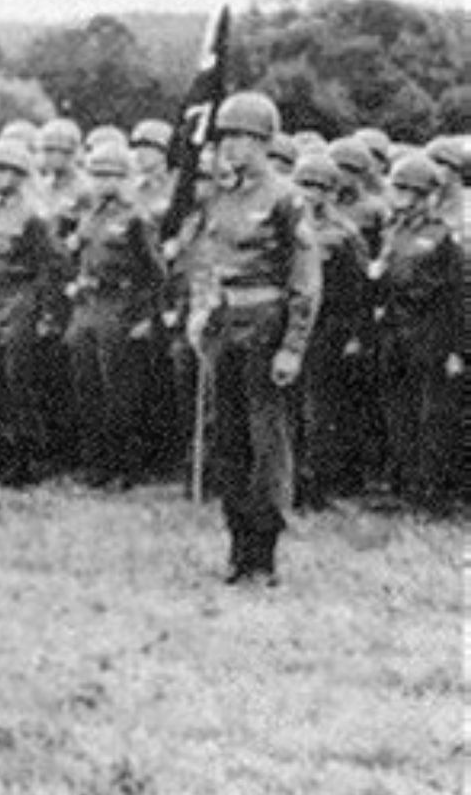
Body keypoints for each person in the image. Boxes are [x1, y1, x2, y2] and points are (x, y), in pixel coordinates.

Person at [178, 92, 319, 585]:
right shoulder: (220, 196)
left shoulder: (285, 197)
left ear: (264, 141)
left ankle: (265, 553)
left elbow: (305, 277)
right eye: (227, 137)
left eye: (243, 137)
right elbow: (204, 260)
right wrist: (200, 312)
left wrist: (293, 345)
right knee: (229, 439)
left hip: (266, 324)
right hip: (225, 325)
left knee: (267, 441)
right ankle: (238, 547)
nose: (232, 147)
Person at [0, 137, 67, 485]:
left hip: (19, 299)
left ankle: (26, 459)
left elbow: (52, 266)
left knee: (18, 381)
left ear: (21, 175)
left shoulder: (34, 215)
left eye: (6, 170)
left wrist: (45, 312)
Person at [63, 141, 164, 488]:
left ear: (123, 178)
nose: (101, 181)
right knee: (87, 387)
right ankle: (96, 466)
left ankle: (126, 468)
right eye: (96, 174)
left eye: (109, 175)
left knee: (120, 392)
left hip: (121, 305)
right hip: (88, 304)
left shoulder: (137, 217)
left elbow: (156, 273)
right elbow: (79, 254)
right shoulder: (90, 214)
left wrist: (147, 317)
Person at [370, 153, 463, 511]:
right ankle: (406, 489)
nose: (402, 196)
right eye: (400, 189)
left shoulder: (442, 237)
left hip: (430, 334)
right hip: (395, 331)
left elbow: (456, 295)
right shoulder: (393, 230)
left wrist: (456, 348)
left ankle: (432, 496)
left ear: (426, 196)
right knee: (398, 414)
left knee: (431, 418)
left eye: (411, 191)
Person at [289, 152, 371, 509]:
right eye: (304, 185)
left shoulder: (343, 235)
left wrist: (355, 335)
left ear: (333, 193)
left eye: (319, 187)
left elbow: (361, 291)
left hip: (328, 330)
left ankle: (316, 486)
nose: (310, 193)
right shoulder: (287, 228)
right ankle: (289, 483)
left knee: (318, 412)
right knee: (287, 408)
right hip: (292, 327)